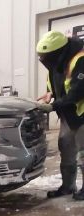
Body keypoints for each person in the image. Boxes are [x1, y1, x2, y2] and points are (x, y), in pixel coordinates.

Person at [36, 30, 84, 199]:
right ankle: (68, 186)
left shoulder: (80, 60)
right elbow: (55, 83)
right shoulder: (56, 63)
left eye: (46, 57)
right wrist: (50, 93)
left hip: (81, 114)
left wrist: (53, 105)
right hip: (67, 115)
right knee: (66, 150)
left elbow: (77, 92)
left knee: (83, 153)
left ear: (59, 52)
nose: (43, 60)